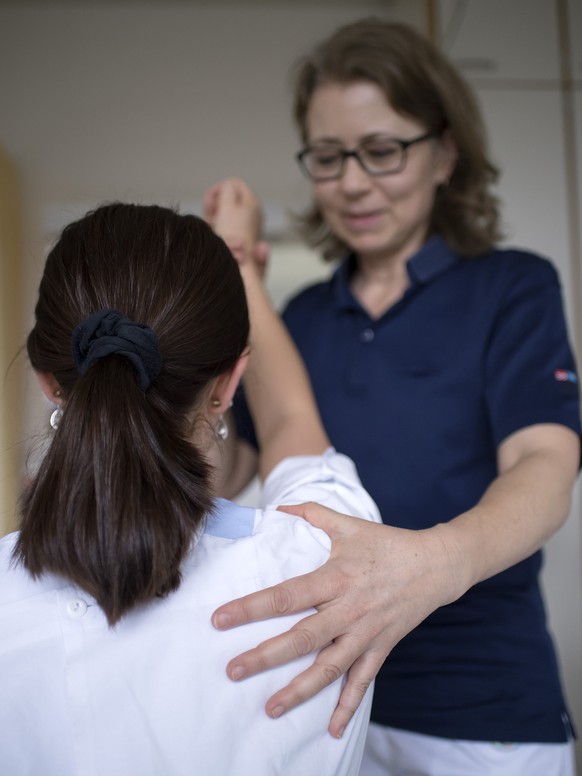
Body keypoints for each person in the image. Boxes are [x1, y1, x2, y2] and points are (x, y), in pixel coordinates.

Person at [208, 19, 582, 776]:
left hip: (484, 709)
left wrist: (432, 562)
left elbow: (546, 465)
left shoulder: (513, 287)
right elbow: (223, 473)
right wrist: (226, 272)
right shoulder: (303, 317)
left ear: (445, 152)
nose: (351, 181)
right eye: (328, 156)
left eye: (381, 151)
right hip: (327, 704)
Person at [0, 189, 381, 776]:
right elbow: (290, 419)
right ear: (229, 386)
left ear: (51, 384)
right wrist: (241, 262)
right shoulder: (328, 562)